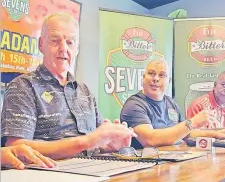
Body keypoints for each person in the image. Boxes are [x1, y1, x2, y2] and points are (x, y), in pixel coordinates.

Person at [1, 13, 136, 160]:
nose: (63, 48)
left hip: (93, 169)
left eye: (70, 42)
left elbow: (96, 141)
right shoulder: (23, 86)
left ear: (77, 49)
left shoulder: (85, 91)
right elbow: (15, 147)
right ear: (41, 44)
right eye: (55, 40)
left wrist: (111, 143)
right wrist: (85, 142)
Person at [120, 58, 225, 149]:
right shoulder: (134, 104)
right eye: (151, 73)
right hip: (150, 167)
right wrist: (193, 122)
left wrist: (217, 133)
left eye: (162, 75)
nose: (155, 79)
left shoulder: (171, 102)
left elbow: (186, 134)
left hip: (176, 160)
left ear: (169, 81)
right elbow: (150, 140)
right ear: (143, 78)